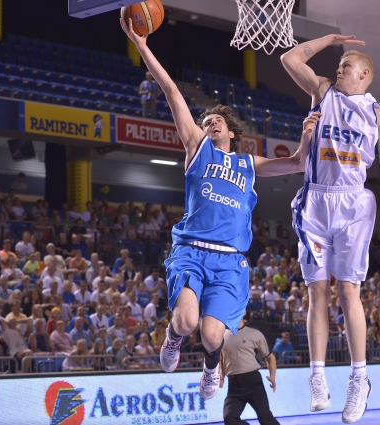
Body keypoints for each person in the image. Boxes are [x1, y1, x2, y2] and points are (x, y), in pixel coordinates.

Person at [122, 16, 310, 401]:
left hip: (229, 259)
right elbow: (172, 91)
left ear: (232, 131)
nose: (210, 124)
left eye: (217, 120)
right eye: (206, 121)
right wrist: (142, 46)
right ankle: (173, 338)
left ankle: (211, 366)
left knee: (211, 335)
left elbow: (297, 163)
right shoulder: (197, 148)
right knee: (186, 321)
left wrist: (308, 135)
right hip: (191, 250)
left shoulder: (248, 164)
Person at [280, 34, 380, 422]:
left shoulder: (379, 116)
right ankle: (318, 377)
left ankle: (359, 378)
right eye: (338, 64)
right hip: (315, 201)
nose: (338, 69)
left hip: (354, 203)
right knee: (316, 292)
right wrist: (331, 39)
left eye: (346, 65)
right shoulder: (323, 91)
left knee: (347, 291)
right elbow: (290, 59)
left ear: (364, 74)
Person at [220, 318, 279, 425]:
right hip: (234, 385)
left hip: (253, 382)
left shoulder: (254, 334)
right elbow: (222, 359)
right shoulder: (222, 335)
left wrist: (273, 376)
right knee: (229, 418)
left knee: (265, 418)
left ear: (244, 312)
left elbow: (270, 357)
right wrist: (221, 376)